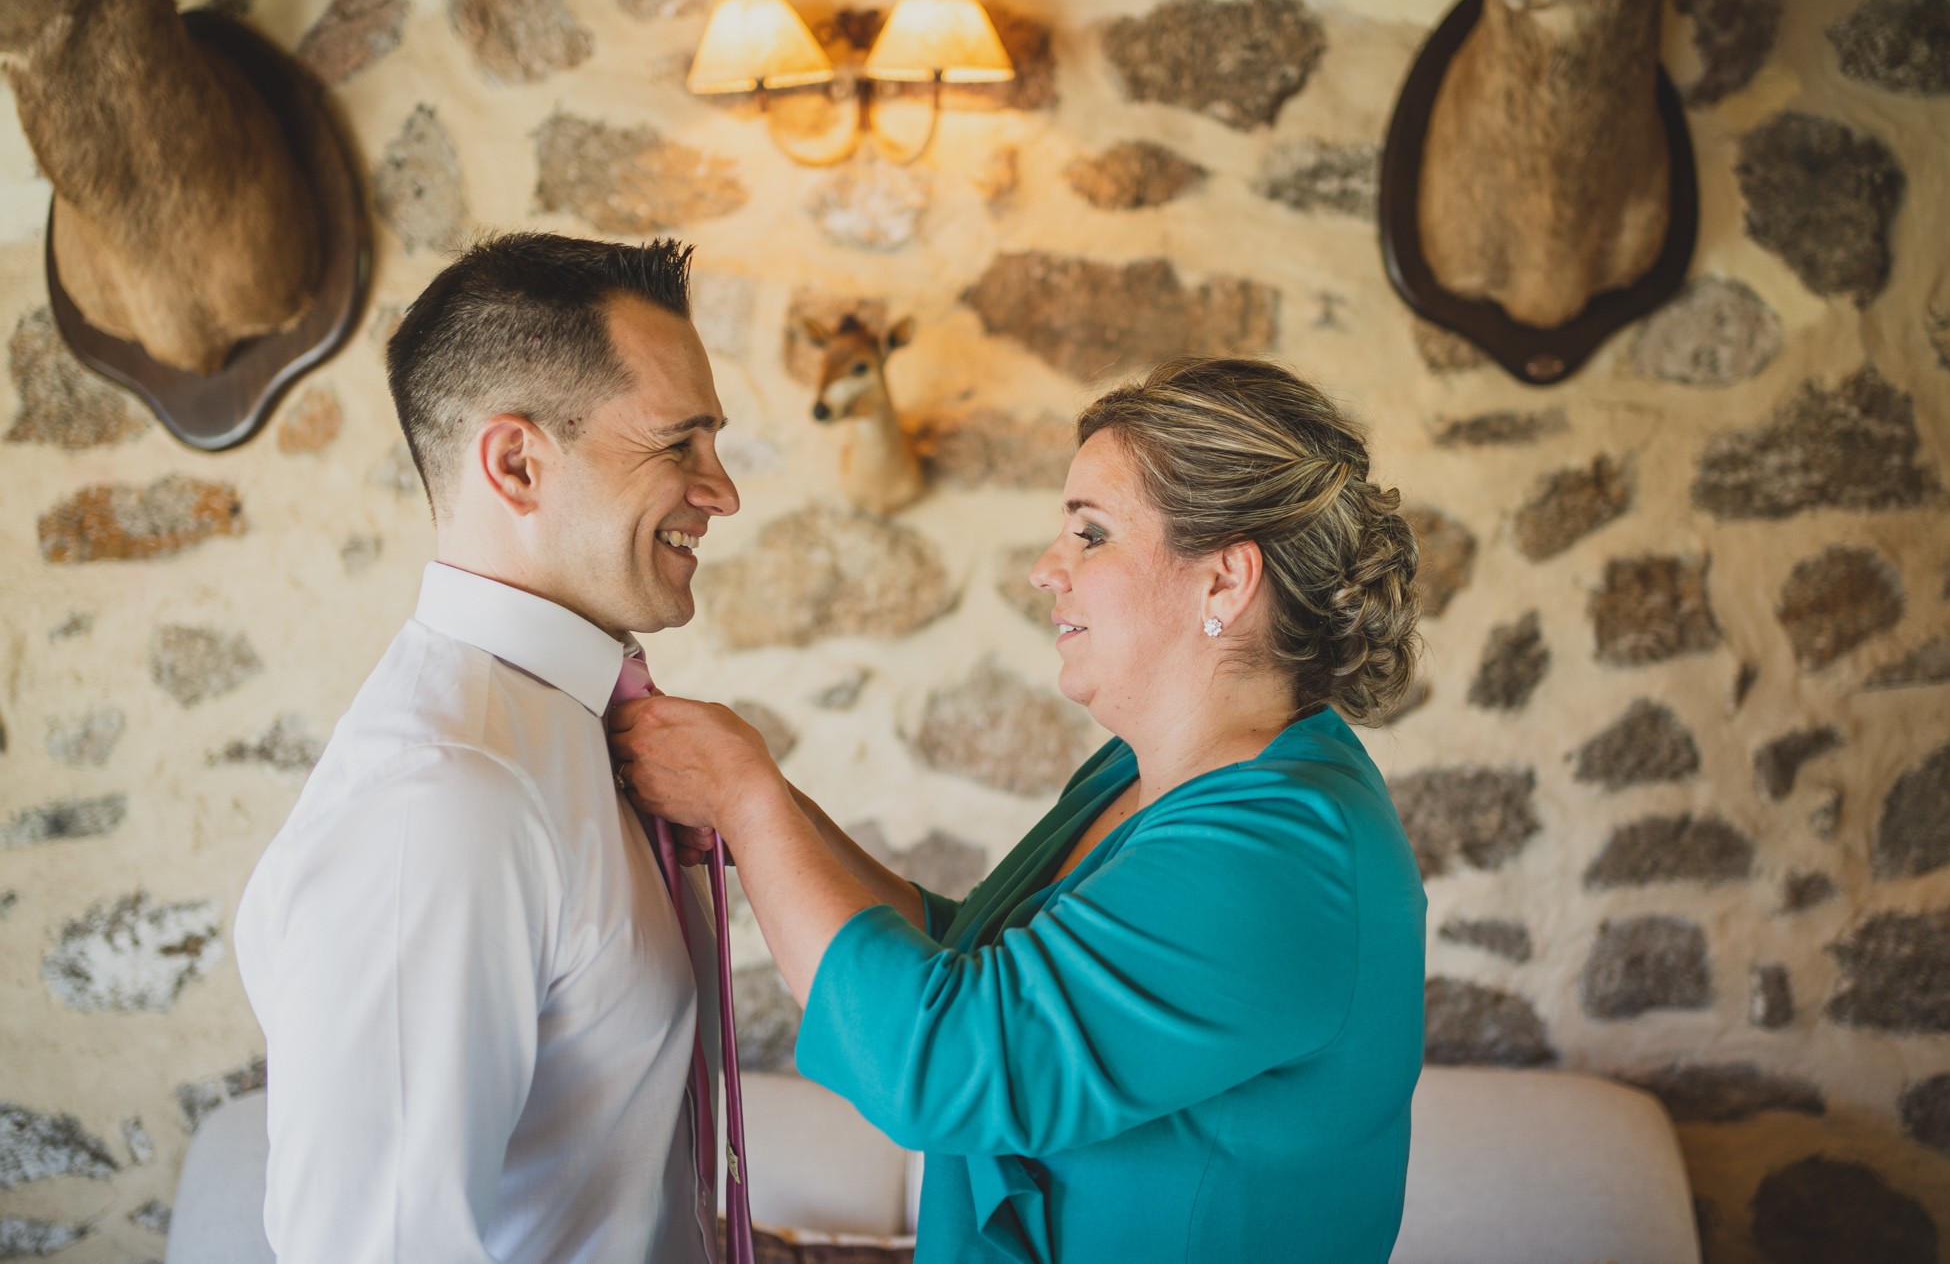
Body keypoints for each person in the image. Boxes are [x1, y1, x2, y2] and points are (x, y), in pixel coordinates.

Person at [610, 356, 1430, 1263]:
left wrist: (745, 797)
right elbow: (977, 957)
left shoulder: (1282, 854)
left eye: (1092, 534)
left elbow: (945, 1058)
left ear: (1225, 582)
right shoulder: (1136, 771)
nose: (1047, 569)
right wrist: (770, 815)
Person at [235, 232, 740, 1263]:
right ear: (516, 461)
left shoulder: (576, 735)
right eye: (678, 444)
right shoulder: (442, 797)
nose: (721, 490)